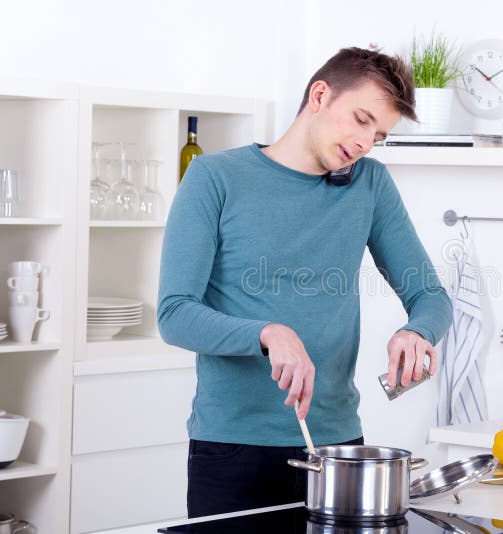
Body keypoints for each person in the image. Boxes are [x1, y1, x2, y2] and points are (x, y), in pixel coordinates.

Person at [157, 47, 453, 518]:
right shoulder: (214, 177)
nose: (365, 143)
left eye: (377, 134)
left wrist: (418, 331)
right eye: (360, 119)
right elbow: (174, 315)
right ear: (319, 95)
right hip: (232, 450)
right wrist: (267, 333)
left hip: (338, 451)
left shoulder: (369, 185)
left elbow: (430, 295)